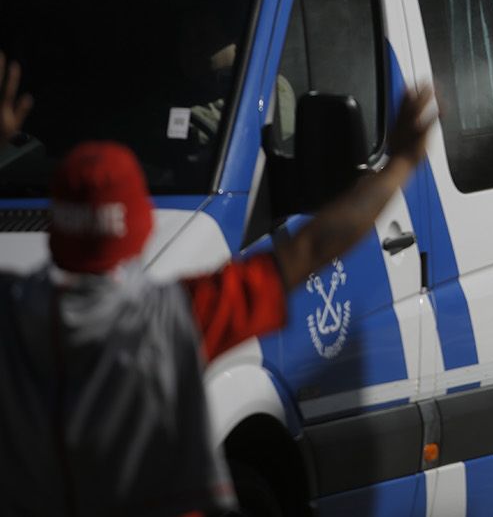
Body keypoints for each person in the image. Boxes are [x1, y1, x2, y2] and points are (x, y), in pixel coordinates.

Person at [0, 55, 434, 517]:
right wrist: (399, 163)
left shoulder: (11, 312)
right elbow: (311, 247)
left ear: (56, 229)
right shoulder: (176, 316)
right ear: (142, 227)